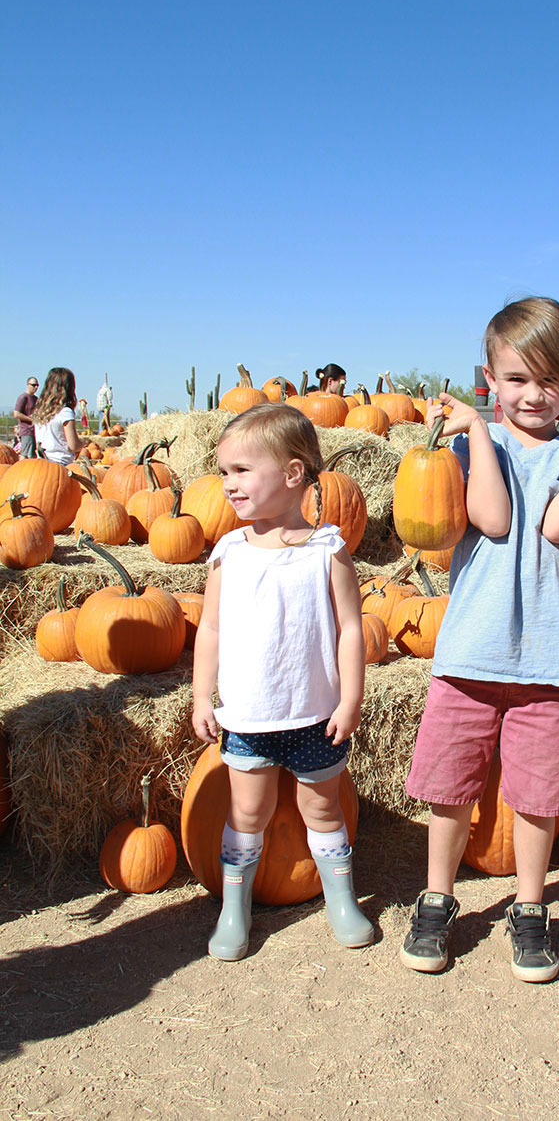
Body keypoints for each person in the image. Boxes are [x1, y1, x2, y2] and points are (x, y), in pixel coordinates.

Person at [400, 297, 559, 983]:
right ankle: (437, 897)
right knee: (451, 785)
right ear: (490, 378)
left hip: (546, 660)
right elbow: (494, 515)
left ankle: (532, 907)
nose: (533, 395)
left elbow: (558, 526)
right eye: (516, 380)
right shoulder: (464, 448)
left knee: (538, 794)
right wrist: (479, 434)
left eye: (549, 381)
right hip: (469, 656)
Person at [192, 402, 373, 961]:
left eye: (242, 471)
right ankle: (235, 906)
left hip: (315, 716)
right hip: (248, 717)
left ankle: (340, 899)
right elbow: (212, 628)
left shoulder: (328, 549)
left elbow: (349, 629)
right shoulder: (229, 553)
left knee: (323, 810)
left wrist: (351, 698)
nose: (228, 484)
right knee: (247, 814)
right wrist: (203, 694)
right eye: (224, 473)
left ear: (293, 474)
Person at [31, 368, 83, 465]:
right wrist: (82, 444)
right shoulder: (65, 412)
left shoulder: (40, 412)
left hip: (41, 463)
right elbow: (73, 445)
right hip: (60, 463)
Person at [13, 376, 39, 458]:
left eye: (37, 385)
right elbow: (16, 413)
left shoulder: (36, 399)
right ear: (28, 385)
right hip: (26, 431)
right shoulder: (23, 397)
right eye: (33, 385)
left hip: (35, 431)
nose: (35, 387)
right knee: (26, 456)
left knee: (34, 456)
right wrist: (30, 419)